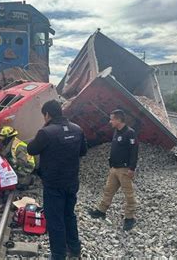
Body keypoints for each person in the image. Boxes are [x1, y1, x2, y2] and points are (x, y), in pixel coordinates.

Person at [27, 100, 87, 260]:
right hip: (72, 182)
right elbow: (83, 152)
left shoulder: (46, 132)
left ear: (47, 114)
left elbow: (31, 149)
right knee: (69, 215)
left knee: (55, 220)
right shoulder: (77, 129)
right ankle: (74, 250)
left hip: (53, 184)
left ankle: (58, 255)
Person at [89, 109, 139, 231]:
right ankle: (101, 210)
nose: (110, 121)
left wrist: (132, 168)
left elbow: (134, 152)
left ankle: (129, 218)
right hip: (114, 168)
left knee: (129, 195)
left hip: (125, 169)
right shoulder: (116, 131)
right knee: (108, 190)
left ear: (118, 119)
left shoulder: (130, 133)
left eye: (111, 119)